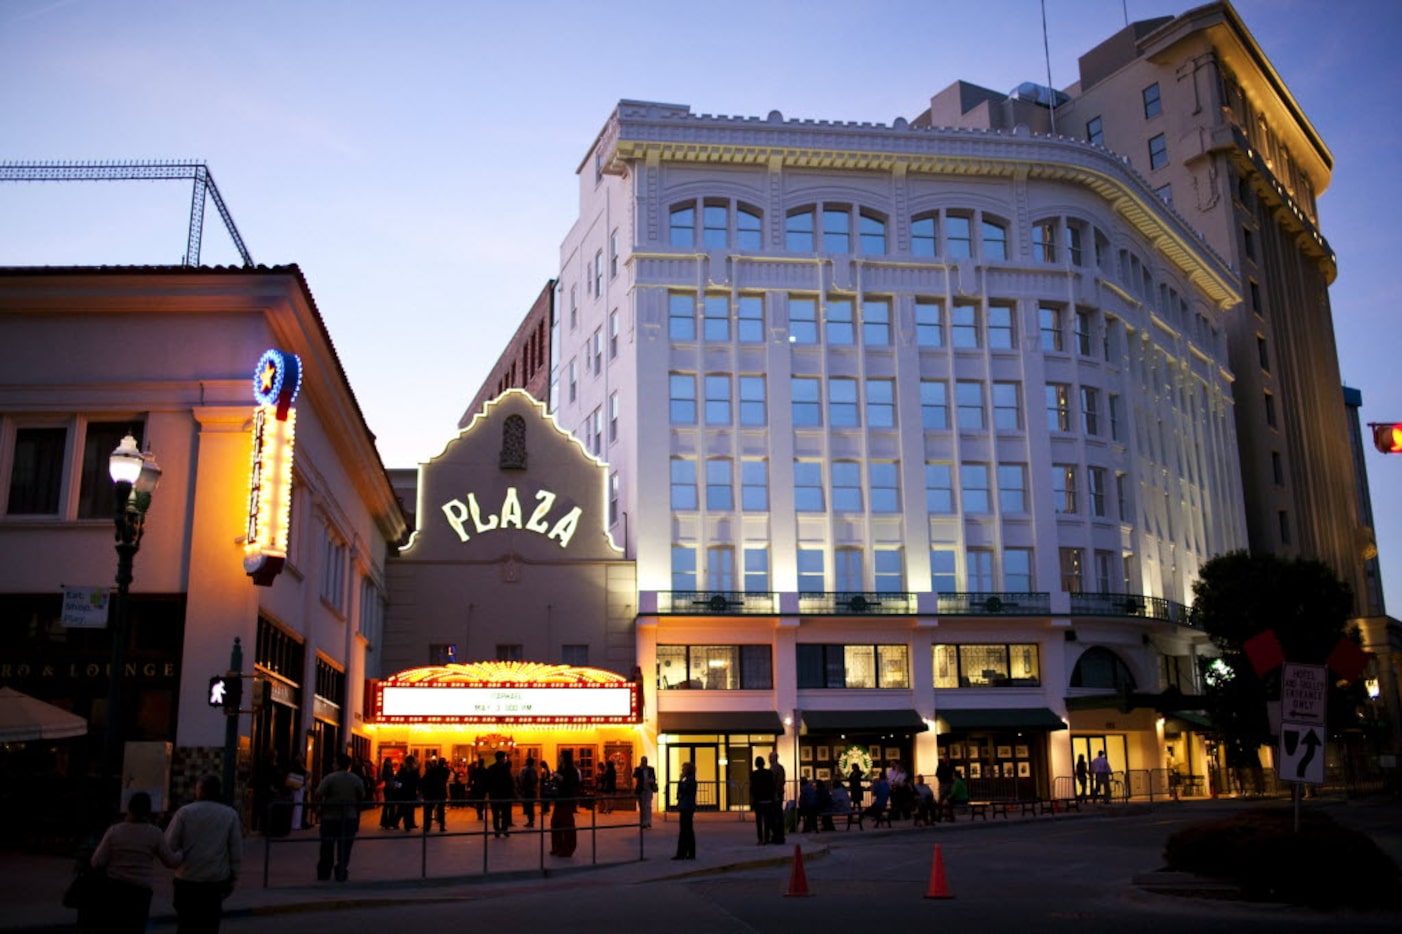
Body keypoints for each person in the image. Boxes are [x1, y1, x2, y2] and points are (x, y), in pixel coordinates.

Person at [91, 791, 182, 933]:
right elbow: (170, 861)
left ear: (129, 808)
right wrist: (182, 852)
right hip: (140, 890)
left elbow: (97, 861)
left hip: (115, 888)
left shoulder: (115, 831)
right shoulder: (154, 833)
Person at [165, 774, 242, 934]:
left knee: (186, 924)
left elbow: (169, 844)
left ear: (199, 790)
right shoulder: (229, 814)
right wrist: (233, 877)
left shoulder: (184, 813)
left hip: (187, 878)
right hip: (214, 880)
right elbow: (236, 850)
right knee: (210, 925)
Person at [314, 752, 366, 882]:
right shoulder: (355, 779)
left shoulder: (330, 778)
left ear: (337, 764)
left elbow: (318, 792)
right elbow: (362, 795)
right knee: (345, 847)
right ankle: (341, 871)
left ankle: (324, 872)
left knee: (327, 846)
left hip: (330, 816)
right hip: (349, 816)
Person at [549, 749, 582, 857]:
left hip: (567, 799)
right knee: (555, 823)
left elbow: (570, 783)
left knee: (567, 824)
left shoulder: (571, 770)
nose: (559, 758)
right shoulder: (561, 768)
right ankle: (557, 846)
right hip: (559, 798)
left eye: (561, 756)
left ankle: (567, 848)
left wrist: (558, 776)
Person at [485, 750, 515, 838]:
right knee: (505, 813)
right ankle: (504, 829)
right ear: (502, 758)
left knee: (495, 813)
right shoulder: (505, 768)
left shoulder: (491, 768)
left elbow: (488, 781)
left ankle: (497, 830)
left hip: (494, 794)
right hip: (504, 793)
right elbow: (509, 781)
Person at [672, 760, 697, 860]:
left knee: (685, 830)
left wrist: (680, 780)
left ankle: (682, 852)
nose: (682, 771)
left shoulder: (689, 781)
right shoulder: (690, 781)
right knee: (688, 830)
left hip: (686, 807)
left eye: (683, 769)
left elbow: (682, 791)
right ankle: (689, 852)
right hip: (687, 806)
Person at [748, 756, 774, 844]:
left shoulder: (754, 774)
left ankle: (760, 839)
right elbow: (772, 786)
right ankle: (766, 837)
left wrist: (752, 799)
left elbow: (752, 788)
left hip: (758, 800)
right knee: (767, 821)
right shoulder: (769, 773)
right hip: (768, 800)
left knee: (759, 821)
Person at [421, 757, 450, 832]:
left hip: (432, 792)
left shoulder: (432, 770)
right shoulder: (446, 771)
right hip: (441, 791)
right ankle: (442, 826)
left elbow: (425, 780)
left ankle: (427, 826)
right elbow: (445, 779)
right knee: (441, 810)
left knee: (429, 810)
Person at [767, 751, 786, 844]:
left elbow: (780, 781)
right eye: (769, 757)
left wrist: (776, 792)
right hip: (773, 794)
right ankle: (776, 835)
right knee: (774, 816)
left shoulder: (778, 768)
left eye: (771, 757)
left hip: (777, 795)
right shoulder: (772, 768)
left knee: (777, 816)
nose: (769, 759)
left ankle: (779, 836)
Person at [285, 754, 309, 831]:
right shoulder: (299, 766)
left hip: (294, 786)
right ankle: (296, 824)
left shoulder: (292, 766)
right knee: (298, 805)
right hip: (298, 787)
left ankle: (294, 824)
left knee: (295, 805)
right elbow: (308, 774)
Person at [633, 755, 657, 829]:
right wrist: (640, 769)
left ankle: (648, 822)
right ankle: (642, 822)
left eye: (645, 761)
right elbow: (634, 775)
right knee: (642, 806)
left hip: (649, 789)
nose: (644, 763)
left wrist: (652, 781)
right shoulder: (638, 769)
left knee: (648, 806)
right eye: (642, 761)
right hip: (641, 790)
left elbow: (653, 778)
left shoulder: (651, 769)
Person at [397, 756, 420, 830]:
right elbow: (417, 781)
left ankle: (408, 823)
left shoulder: (403, 770)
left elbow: (398, 780)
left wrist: (398, 788)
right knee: (409, 807)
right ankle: (408, 823)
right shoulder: (414, 770)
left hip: (404, 791)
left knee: (405, 807)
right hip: (411, 791)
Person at [517, 756, 539, 828]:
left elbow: (522, 779)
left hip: (527, 790)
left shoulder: (526, 770)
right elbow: (535, 780)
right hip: (531, 790)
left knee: (529, 806)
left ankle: (530, 821)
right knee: (530, 806)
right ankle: (530, 821)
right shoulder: (534, 770)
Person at [378, 759, 399, 829]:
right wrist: (398, 785)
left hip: (387, 788)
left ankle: (385, 822)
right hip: (390, 788)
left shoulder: (385, 769)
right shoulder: (389, 769)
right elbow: (392, 779)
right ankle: (391, 822)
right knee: (391, 805)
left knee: (387, 805)